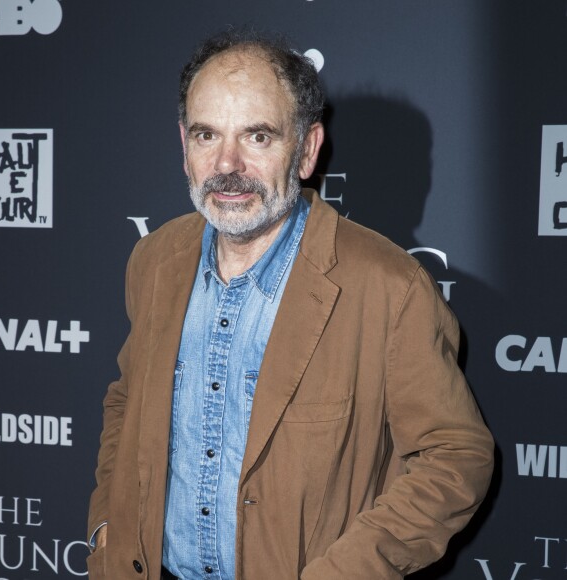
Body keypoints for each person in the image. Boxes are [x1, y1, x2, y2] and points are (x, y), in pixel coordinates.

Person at [87, 30, 494, 580]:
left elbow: (454, 457)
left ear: (306, 149)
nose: (226, 164)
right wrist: (105, 532)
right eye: (207, 135)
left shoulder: (389, 287)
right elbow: (126, 402)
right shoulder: (155, 260)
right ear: (184, 145)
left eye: (257, 137)